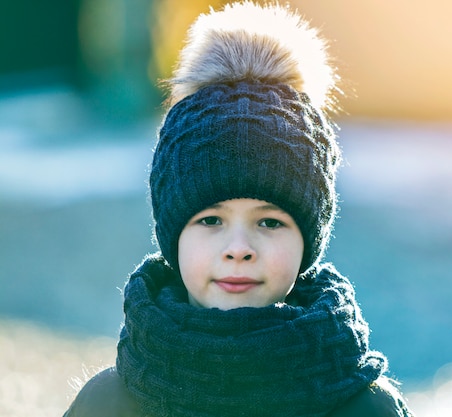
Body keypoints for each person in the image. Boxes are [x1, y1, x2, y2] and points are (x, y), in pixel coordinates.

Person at [64, 2, 414, 416]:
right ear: (172, 235)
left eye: (269, 221)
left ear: (310, 240)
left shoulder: (363, 407)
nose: (239, 248)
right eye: (210, 219)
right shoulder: (110, 405)